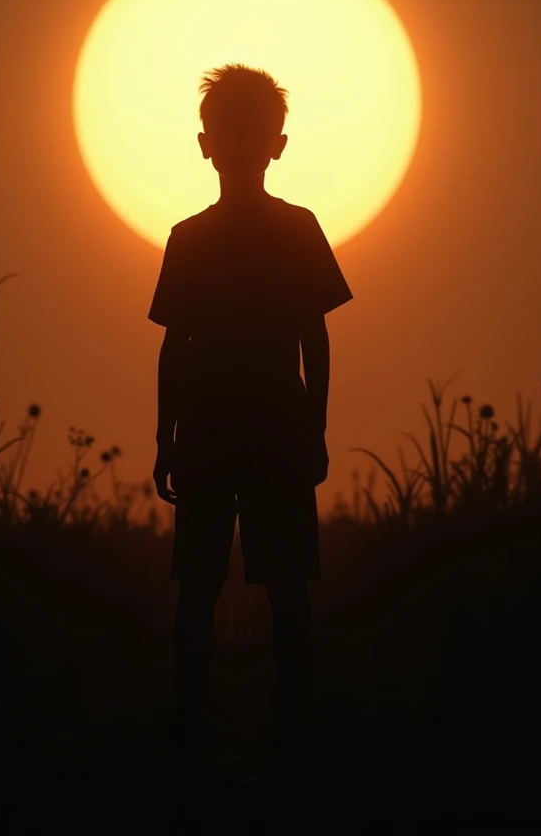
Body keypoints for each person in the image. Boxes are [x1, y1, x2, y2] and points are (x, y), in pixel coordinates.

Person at [148, 63, 353, 773]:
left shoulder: (191, 238)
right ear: (279, 144)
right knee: (277, 588)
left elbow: (177, 345)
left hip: (214, 424)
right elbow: (313, 339)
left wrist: (165, 436)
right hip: (267, 424)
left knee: (203, 588)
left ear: (206, 145)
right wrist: (315, 427)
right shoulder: (292, 231)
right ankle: (286, 733)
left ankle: (193, 730)